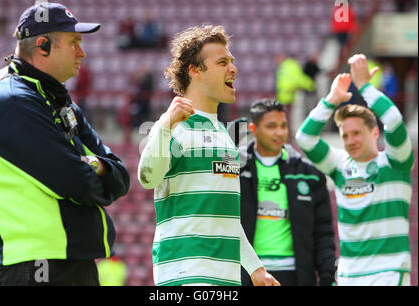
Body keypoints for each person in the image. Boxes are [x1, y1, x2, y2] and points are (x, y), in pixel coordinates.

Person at [0, 2, 130, 286]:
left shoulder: (54, 98)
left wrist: (96, 165)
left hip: (67, 262)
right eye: (74, 43)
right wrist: (98, 176)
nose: (82, 52)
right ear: (42, 45)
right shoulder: (14, 101)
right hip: (37, 267)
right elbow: (76, 182)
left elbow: (121, 177)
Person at [137, 25, 279, 286]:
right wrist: (166, 126)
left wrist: (255, 268)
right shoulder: (171, 126)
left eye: (232, 62)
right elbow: (147, 178)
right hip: (185, 274)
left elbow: (225, 220)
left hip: (225, 278)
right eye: (222, 62)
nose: (233, 69)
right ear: (194, 70)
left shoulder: (224, 136)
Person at [296, 54, 414, 286]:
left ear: (375, 133)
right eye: (345, 135)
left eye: (357, 133)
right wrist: (331, 100)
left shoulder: (396, 162)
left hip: (388, 273)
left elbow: (394, 120)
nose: (350, 140)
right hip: (349, 275)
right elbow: (305, 138)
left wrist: (364, 86)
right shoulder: (340, 165)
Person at [239, 99, 337, 286]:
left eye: (283, 126)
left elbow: (323, 233)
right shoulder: (235, 171)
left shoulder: (309, 174)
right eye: (271, 126)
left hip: (295, 276)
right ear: (253, 129)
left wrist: (327, 276)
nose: (279, 132)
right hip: (248, 273)